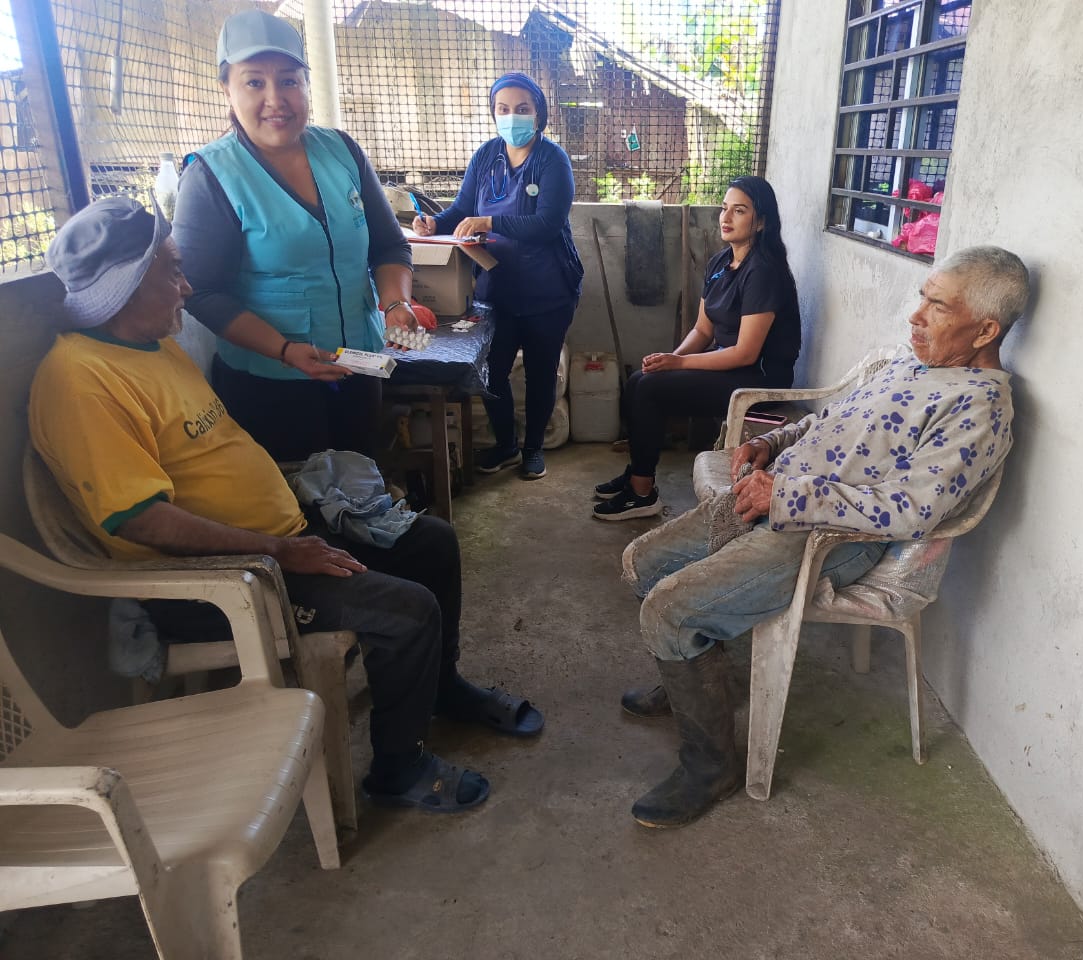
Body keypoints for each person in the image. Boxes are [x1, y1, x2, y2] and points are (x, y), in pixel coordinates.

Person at [30, 197, 545, 814]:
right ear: (125, 288)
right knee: (406, 609)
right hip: (221, 580)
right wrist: (279, 550)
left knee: (431, 542)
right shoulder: (82, 382)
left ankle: (443, 689)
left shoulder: (150, 347)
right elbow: (139, 520)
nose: (186, 287)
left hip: (280, 537)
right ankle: (397, 769)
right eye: (172, 272)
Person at [617, 246, 1030, 828]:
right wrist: (772, 444)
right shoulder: (911, 365)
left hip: (831, 538)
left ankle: (711, 766)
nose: (916, 316)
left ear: (986, 329)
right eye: (923, 298)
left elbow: (911, 509)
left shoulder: (980, 408)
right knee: (642, 562)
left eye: (938, 307)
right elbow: (830, 422)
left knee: (669, 610)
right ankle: (696, 674)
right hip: (777, 497)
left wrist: (785, 496)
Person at [173, 10, 424, 461]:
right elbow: (201, 291)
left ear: (306, 85)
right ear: (227, 88)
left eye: (288, 80)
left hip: (357, 366)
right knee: (297, 494)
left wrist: (395, 304)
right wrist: (284, 349)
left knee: (360, 480)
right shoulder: (211, 175)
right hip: (270, 384)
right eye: (254, 82)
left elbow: (389, 246)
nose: (276, 99)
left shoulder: (342, 151)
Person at [593, 175, 801, 521]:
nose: (726, 218)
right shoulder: (721, 263)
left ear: (761, 222)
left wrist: (679, 365)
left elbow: (746, 353)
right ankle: (636, 475)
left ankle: (642, 494)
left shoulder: (764, 272)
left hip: (758, 378)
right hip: (728, 366)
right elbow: (703, 329)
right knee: (640, 381)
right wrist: (670, 359)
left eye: (739, 211)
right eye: (725, 208)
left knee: (650, 391)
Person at [413, 72, 583, 481]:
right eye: (503, 109)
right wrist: (433, 224)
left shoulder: (552, 160)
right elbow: (461, 211)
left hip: (547, 291)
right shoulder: (487, 155)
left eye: (522, 108)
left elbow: (547, 223)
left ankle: (533, 448)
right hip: (496, 290)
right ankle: (506, 443)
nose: (512, 117)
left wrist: (489, 221)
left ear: (539, 113)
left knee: (541, 374)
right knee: (490, 371)